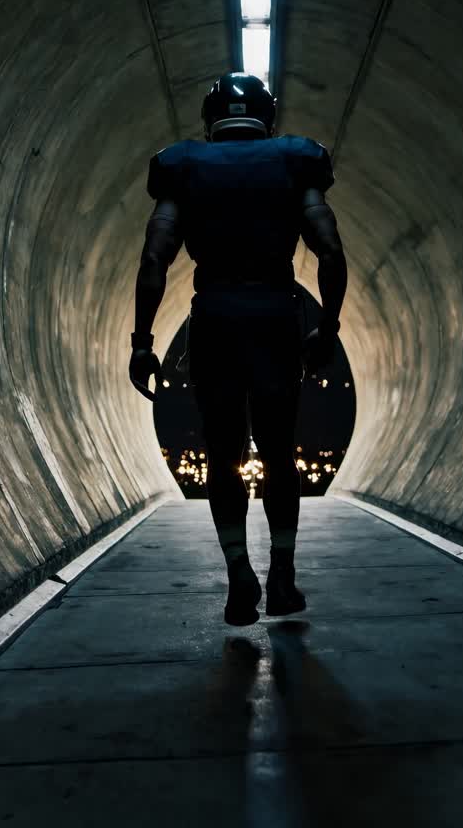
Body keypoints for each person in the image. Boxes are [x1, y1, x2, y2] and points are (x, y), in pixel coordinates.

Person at [129, 72, 347, 626]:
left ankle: (237, 573)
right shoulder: (295, 161)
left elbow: (154, 258)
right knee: (278, 453)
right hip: (275, 319)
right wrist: (329, 327)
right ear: (266, 117)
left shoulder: (182, 167)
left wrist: (142, 342)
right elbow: (329, 249)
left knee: (224, 455)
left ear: (210, 118)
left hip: (215, 321)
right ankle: (283, 575)